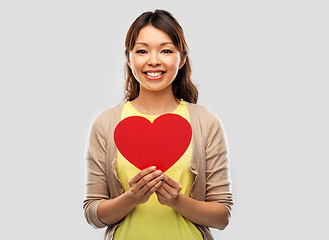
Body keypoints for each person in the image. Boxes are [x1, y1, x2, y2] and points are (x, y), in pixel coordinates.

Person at [83, 9, 233, 240]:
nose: (154, 60)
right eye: (142, 51)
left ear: (181, 58)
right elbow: (93, 213)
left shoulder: (205, 123)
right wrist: (132, 197)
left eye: (165, 50)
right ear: (129, 57)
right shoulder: (105, 124)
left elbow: (222, 216)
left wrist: (177, 201)